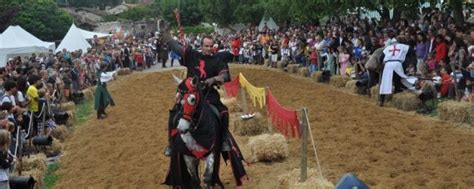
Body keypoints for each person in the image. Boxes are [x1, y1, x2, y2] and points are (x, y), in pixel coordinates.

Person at [160, 20, 246, 187]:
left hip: (209, 96)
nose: (208, 48)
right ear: (201, 46)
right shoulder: (192, 55)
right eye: (206, 46)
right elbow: (178, 48)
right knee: (174, 114)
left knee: (223, 112)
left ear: (214, 46)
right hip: (191, 94)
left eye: (211, 46)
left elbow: (225, 76)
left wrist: (213, 79)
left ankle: (223, 141)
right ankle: (171, 145)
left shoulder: (218, 59)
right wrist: (168, 37)